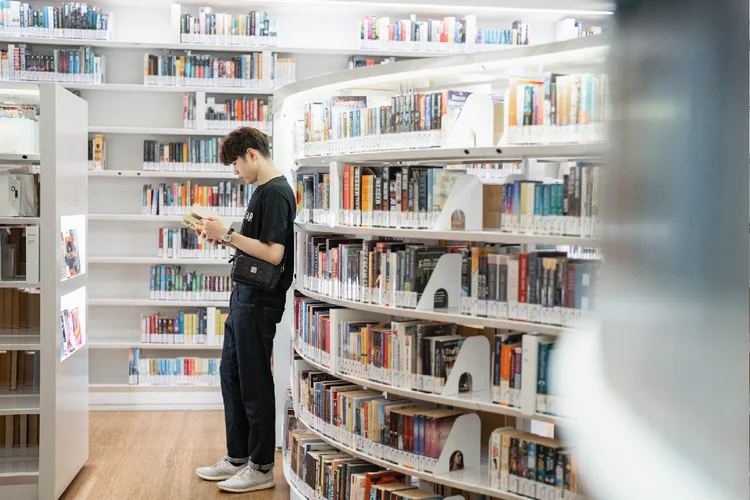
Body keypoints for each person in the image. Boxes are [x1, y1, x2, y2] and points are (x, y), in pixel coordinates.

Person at [194, 127, 295, 493]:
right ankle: (237, 457)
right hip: (243, 298)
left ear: (252, 154)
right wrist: (225, 233)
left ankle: (262, 466)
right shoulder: (261, 192)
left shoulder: (277, 193)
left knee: (254, 382)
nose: (235, 171)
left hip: (260, 303)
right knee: (232, 377)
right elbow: (256, 247)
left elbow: (273, 253)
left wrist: (226, 234)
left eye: (236, 163)